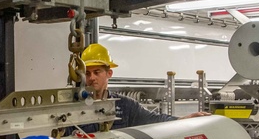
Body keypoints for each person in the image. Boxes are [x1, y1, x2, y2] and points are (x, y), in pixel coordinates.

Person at [77, 43, 206, 133]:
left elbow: (154, 119)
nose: (92, 77)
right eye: (87, 73)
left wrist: (182, 120)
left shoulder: (125, 106)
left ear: (109, 74)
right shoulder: (75, 107)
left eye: (97, 72)